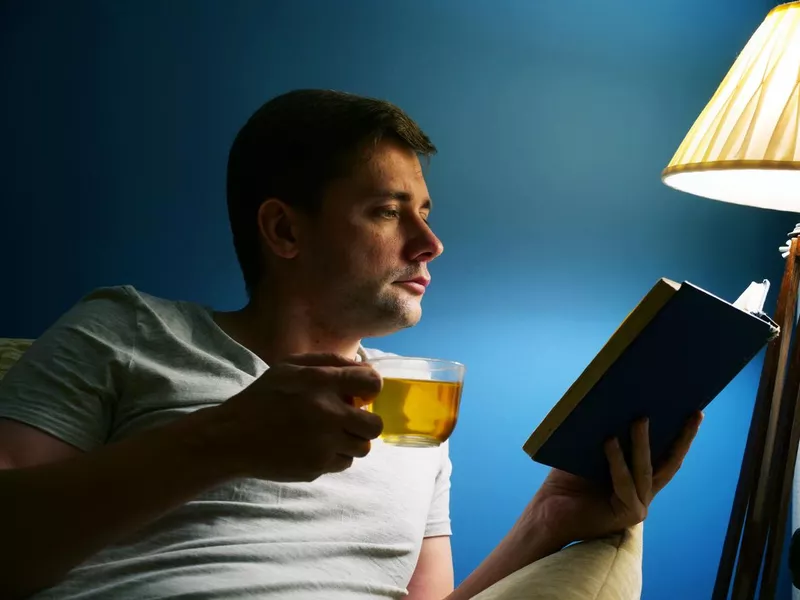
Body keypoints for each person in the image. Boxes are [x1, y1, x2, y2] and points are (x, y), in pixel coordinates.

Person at [0, 89, 702, 600]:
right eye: (387, 213)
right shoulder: (124, 329)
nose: (430, 244)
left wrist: (548, 521)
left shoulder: (415, 401)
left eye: (424, 214)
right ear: (284, 232)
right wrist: (222, 439)